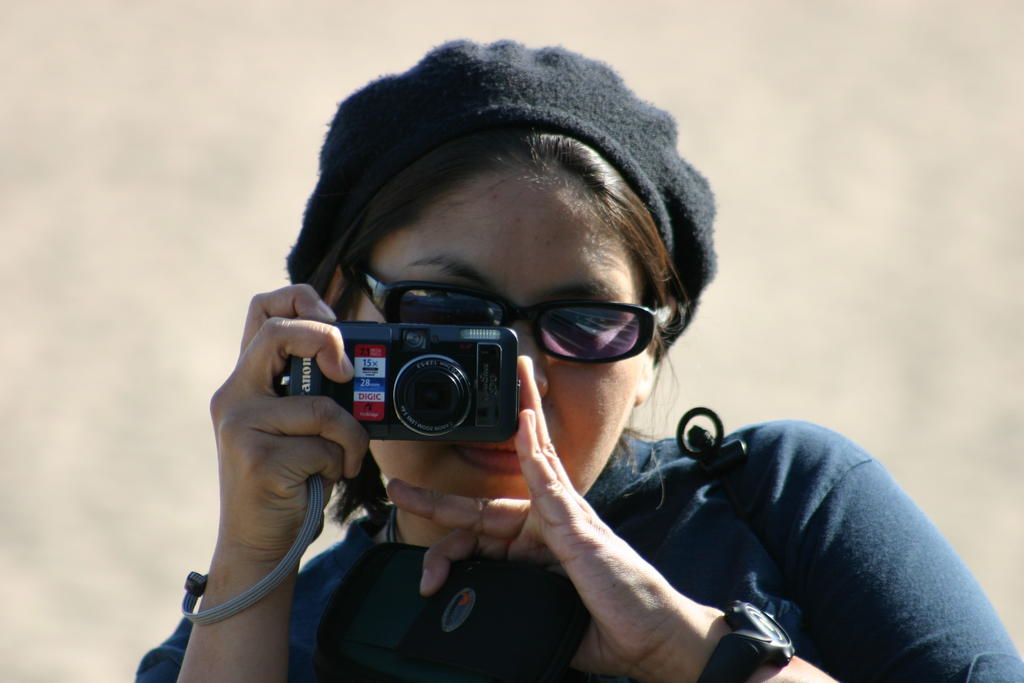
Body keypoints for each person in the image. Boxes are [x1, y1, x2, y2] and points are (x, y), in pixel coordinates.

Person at [137, 40, 1023, 682]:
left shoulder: (785, 504)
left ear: (651, 354)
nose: (519, 375)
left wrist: (692, 649)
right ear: (337, 311)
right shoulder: (251, 632)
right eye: (449, 312)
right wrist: (251, 559)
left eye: (586, 323)